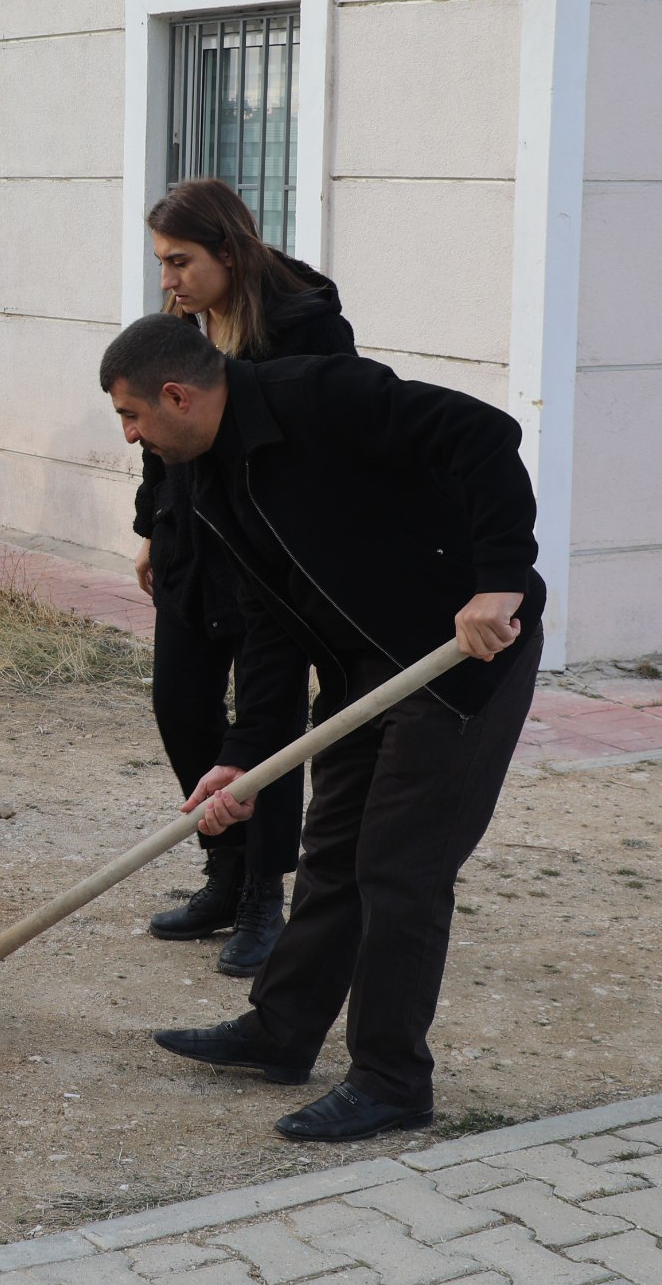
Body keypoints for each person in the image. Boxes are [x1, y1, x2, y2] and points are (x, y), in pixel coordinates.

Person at [97, 314, 543, 1143]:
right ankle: (282, 1031)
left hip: (458, 654)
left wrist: (501, 577)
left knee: (400, 868)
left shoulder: (320, 394)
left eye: (131, 415)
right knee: (331, 847)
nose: (130, 436)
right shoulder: (209, 480)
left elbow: (484, 434)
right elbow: (269, 624)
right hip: (359, 669)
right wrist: (244, 757)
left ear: (177, 396)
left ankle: (391, 1081)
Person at [133, 180, 356, 979]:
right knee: (180, 705)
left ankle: (265, 893)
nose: (169, 280)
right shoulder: (183, 323)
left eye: (180, 261)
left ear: (227, 251)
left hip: (269, 559)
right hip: (191, 543)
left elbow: (329, 448)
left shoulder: (309, 327)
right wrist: (151, 526)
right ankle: (224, 873)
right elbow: (155, 425)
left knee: (265, 725)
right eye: (162, 263)